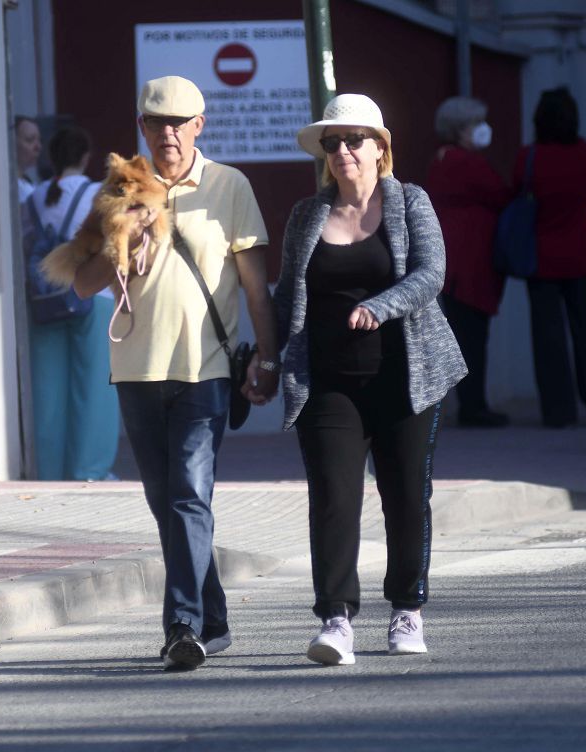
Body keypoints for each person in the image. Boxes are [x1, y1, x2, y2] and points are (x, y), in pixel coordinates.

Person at [72, 76, 279, 670]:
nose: (168, 132)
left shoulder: (229, 186)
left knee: (191, 496)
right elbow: (81, 283)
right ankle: (212, 618)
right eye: (156, 122)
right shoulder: (120, 188)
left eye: (180, 122)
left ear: (199, 126)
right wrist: (123, 243)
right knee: (168, 504)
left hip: (205, 369)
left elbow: (256, 288)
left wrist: (267, 359)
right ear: (141, 127)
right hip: (134, 370)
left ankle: (182, 626)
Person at [275, 94, 467, 666]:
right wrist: (264, 358)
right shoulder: (307, 216)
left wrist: (379, 308)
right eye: (331, 143)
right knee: (334, 497)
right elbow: (288, 294)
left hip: (405, 377)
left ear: (379, 147)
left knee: (407, 496)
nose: (342, 152)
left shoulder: (411, 203)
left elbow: (433, 273)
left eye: (353, 140)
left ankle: (407, 609)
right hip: (328, 382)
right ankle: (336, 620)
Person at [515, 87, 586, 428]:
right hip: (579, 253)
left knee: (548, 338)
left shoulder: (529, 156)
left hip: (540, 256)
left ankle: (558, 411)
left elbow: (519, 191)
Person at [22, 126, 120, 481]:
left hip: (45, 297)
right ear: (85, 157)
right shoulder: (98, 192)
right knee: (94, 387)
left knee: (48, 388)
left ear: (52, 158)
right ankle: (90, 469)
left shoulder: (33, 197)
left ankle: (49, 469)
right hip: (93, 296)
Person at [426, 96, 514, 427]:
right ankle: (474, 406)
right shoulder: (464, 163)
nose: (481, 130)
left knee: (467, 336)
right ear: (459, 130)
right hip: (470, 266)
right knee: (472, 339)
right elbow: (501, 193)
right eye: (474, 125)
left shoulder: (443, 159)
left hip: (458, 265)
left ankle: (472, 403)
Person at [15, 115, 42, 203]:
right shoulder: (9, 186)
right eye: (30, 140)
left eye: (39, 140)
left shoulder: (27, 181)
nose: (38, 147)